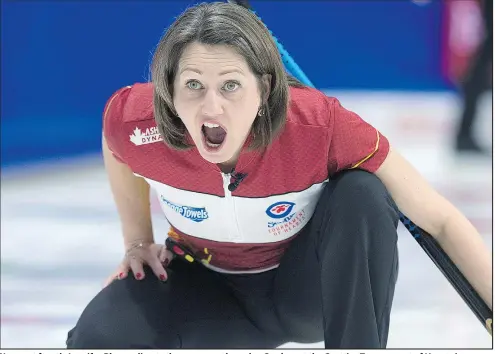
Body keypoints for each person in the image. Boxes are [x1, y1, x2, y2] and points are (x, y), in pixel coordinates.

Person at [66, 2, 492, 349]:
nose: (211, 106)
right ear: (170, 91)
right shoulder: (139, 120)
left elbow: (440, 219)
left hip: (307, 296)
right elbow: (115, 142)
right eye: (193, 85)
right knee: (96, 339)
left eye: (231, 85)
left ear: (264, 88)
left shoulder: (320, 126)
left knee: (363, 191)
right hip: (204, 290)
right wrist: (138, 240)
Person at [455, 0, 492, 153]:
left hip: (483, 43)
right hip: (480, 45)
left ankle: (465, 135)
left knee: (476, 86)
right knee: (474, 85)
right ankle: (464, 135)